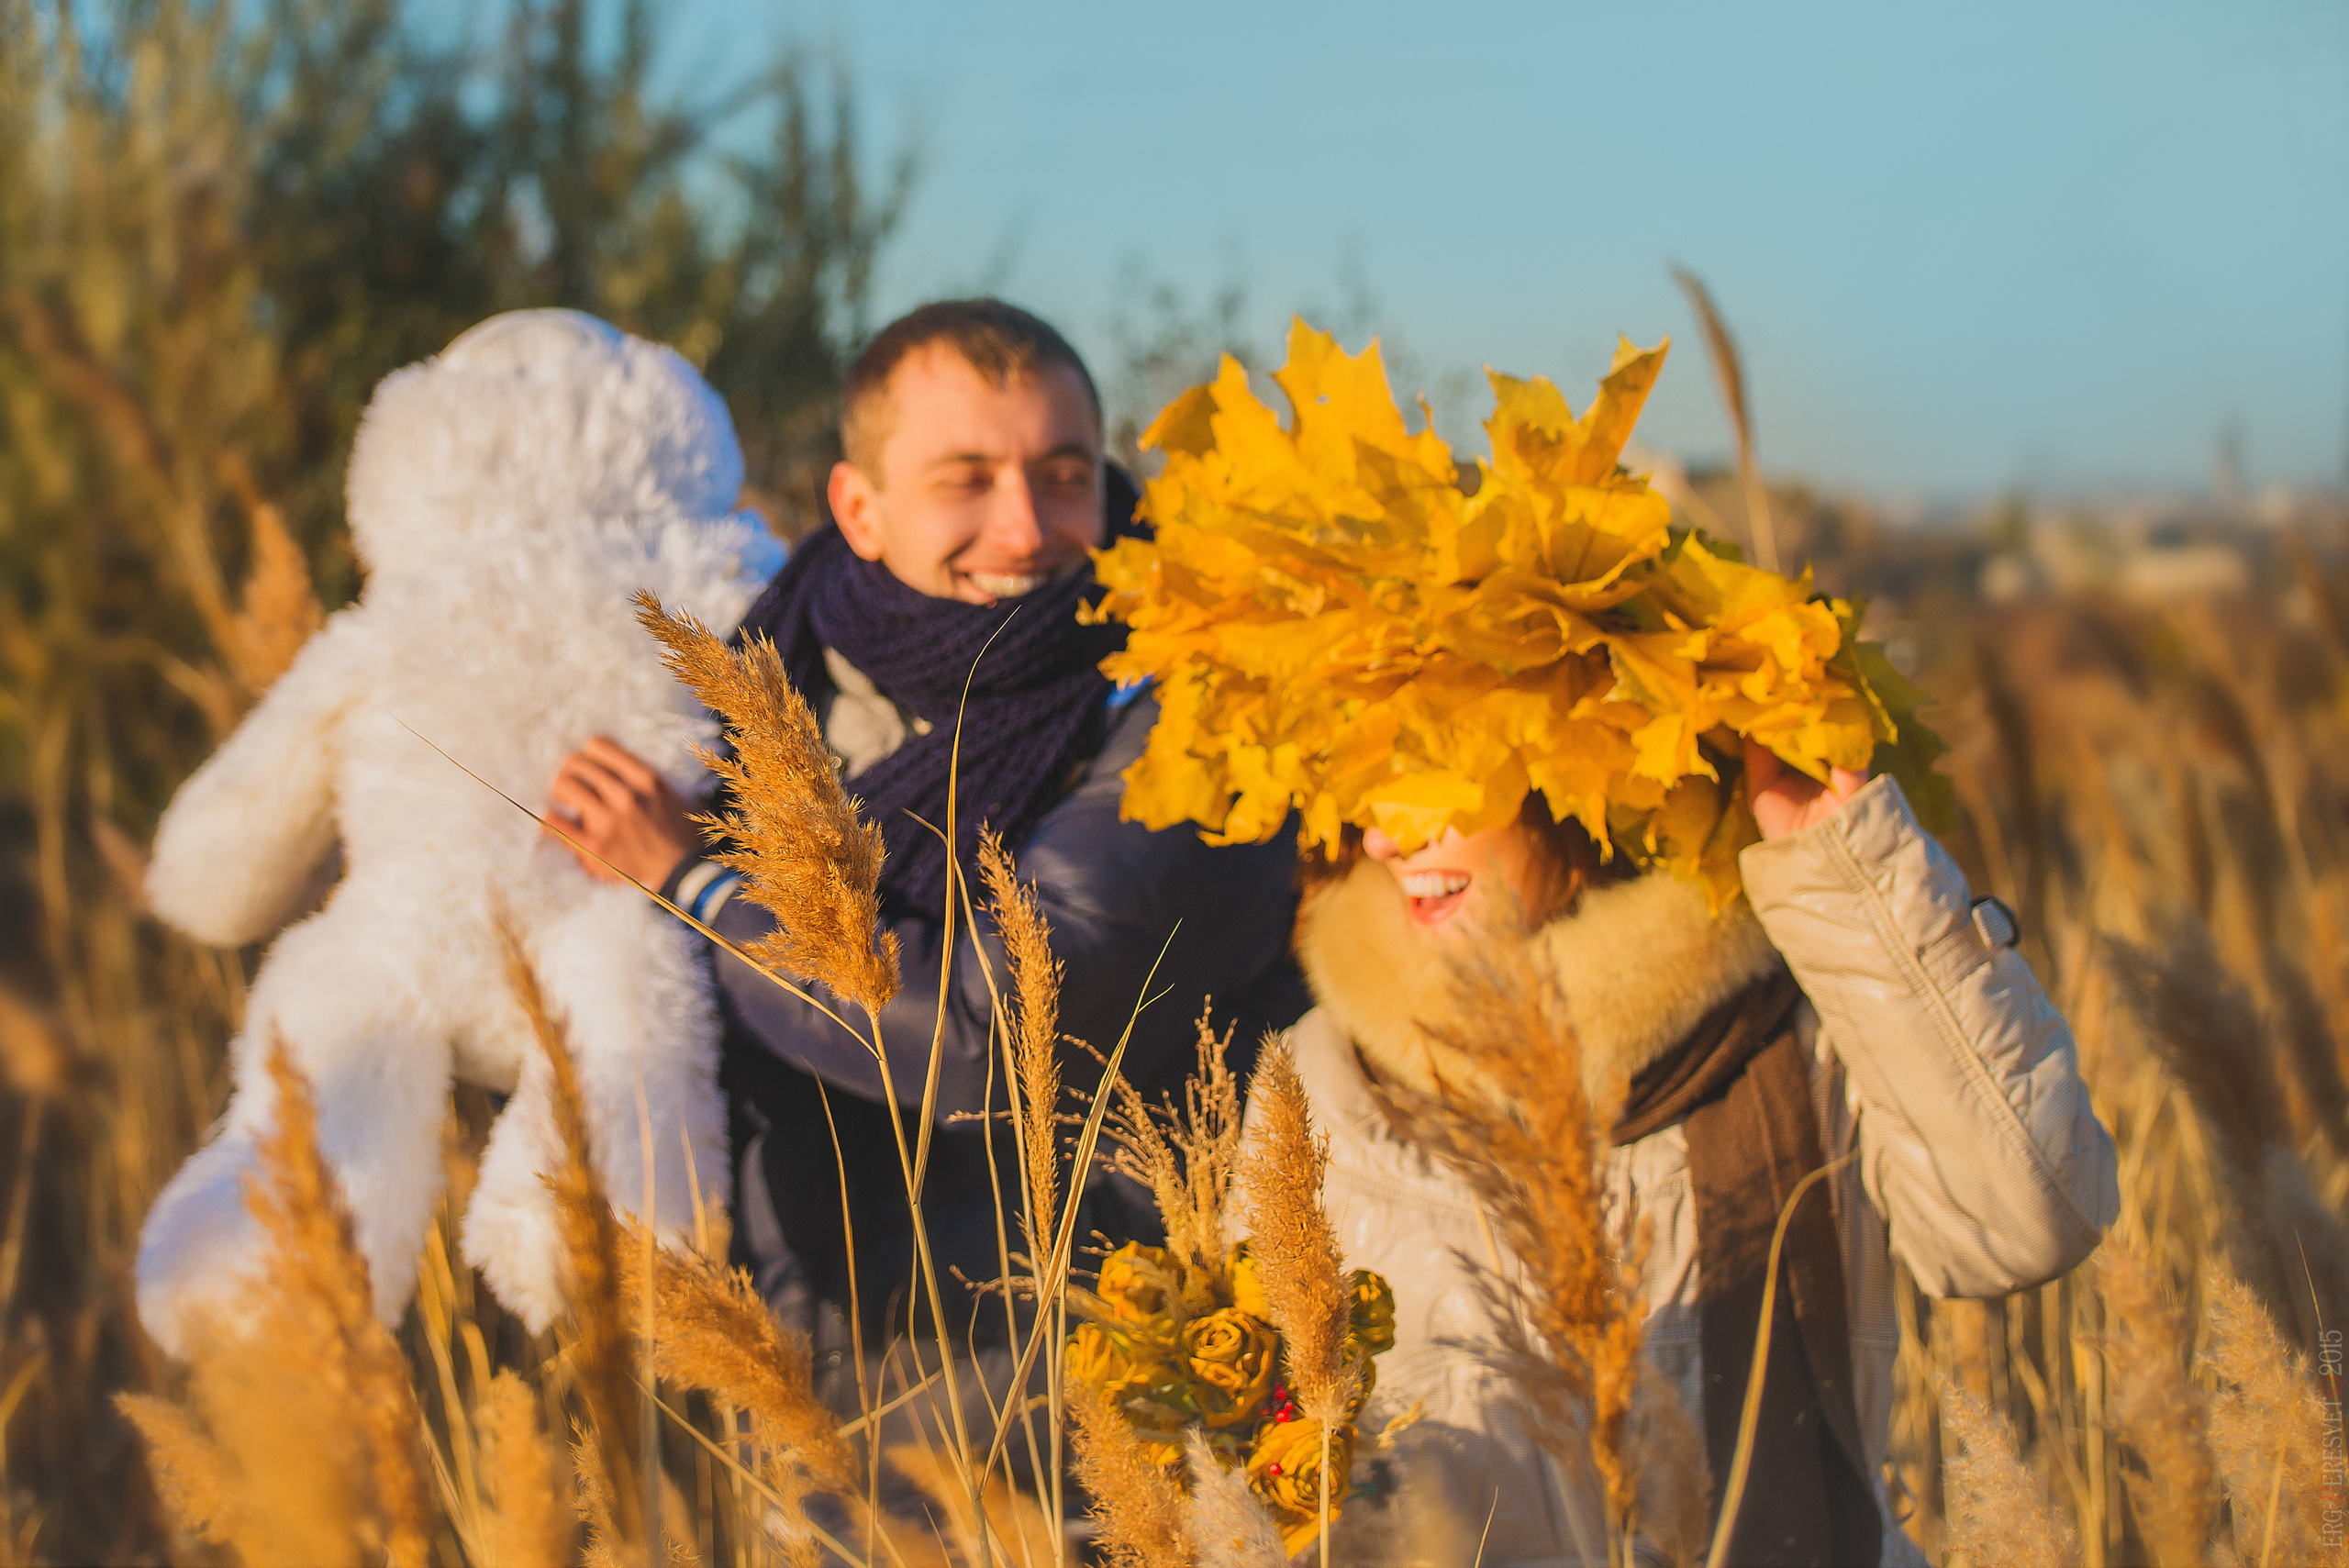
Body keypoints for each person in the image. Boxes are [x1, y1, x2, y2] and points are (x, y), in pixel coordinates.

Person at [1086, 324, 2120, 1565]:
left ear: (1573, 773)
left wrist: (1849, 876)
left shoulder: (1783, 1035)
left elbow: (2027, 1221)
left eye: (1431, 766)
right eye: (1357, 778)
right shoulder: (1314, 1078)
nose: (1386, 829)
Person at [543, 300, 1308, 1408]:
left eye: (1063, 474)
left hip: (1069, 1386)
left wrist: (693, 884)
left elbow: (995, 1031)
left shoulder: (1194, 705)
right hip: (812, 1357)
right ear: (859, 509)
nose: (1025, 528)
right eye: (967, 479)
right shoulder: (776, 667)